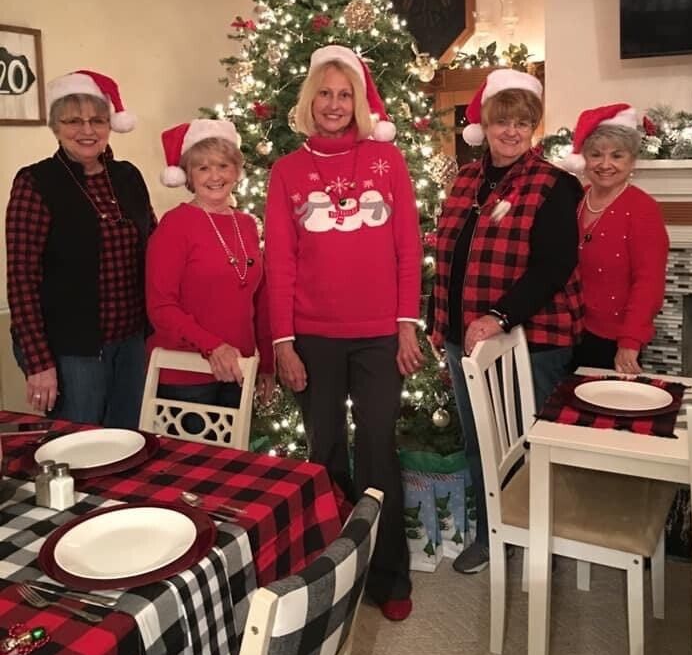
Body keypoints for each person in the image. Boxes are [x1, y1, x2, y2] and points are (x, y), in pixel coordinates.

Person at [264, 45, 423, 622]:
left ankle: (389, 576)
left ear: (359, 102)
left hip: (380, 335)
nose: (334, 104)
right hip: (311, 338)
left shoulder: (387, 160)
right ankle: (330, 583)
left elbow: (409, 248)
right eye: (325, 94)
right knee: (324, 454)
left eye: (345, 94)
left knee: (378, 450)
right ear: (311, 101)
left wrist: (407, 325)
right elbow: (279, 263)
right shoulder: (286, 170)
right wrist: (282, 341)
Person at [428, 68, 584, 574]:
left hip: (532, 340)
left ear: (534, 126)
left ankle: (539, 537)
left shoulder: (556, 185)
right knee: (481, 442)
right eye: (503, 121)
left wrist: (498, 315)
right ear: (485, 125)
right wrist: (442, 325)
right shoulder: (466, 180)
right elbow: (446, 254)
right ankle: (492, 533)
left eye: (523, 122)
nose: (511, 131)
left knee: (530, 442)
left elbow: (554, 266)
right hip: (464, 339)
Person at [6, 69, 155, 426]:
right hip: (72, 349)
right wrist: (39, 362)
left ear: (109, 125)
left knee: (128, 441)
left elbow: (155, 245)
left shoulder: (128, 177)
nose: (87, 131)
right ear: (56, 127)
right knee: (78, 446)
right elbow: (21, 279)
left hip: (132, 341)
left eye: (97, 120)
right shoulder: (36, 182)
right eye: (73, 121)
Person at [145, 119, 274, 423]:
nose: (215, 176)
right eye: (203, 168)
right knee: (189, 468)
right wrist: (213, 347)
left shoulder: (246, 224)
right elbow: (161, 306)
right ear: (188, 175)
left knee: (234, 464)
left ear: (236, 171)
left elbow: (259, 300)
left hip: (238, 370)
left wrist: (267, 363)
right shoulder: (175, 225)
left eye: (223, 165)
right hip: (186, 374)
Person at [561, 104, 669, 374]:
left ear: (631, 161)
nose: (605, 164)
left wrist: (630, 341)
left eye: (617, 156)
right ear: (584, 158)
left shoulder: (643, 209)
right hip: (569, 331)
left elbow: (649, 282)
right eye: (596, 155)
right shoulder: (575, 199)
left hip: (615, 339)